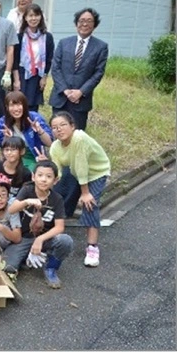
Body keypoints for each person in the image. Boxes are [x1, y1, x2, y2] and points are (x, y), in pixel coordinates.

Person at [49, 111, 110, 268]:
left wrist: (85, 193)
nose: (59, 130)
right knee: (57, 194)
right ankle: (59, 223)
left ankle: (92, 247)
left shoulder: (79, 138)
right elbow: (59, 174)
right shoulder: (55, 147)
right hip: (77, 172)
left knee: (90, 204)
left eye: (63, 125)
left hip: (96, 172)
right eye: (54, 127)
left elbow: (82, 165)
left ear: (72, 126)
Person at [5, 160, 74, 289]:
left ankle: (51, 268)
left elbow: (60, 227)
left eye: (49, 176)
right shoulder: (27, 190)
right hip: (24, 238)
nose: (44, 180)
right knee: (8, 267)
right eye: (40, 175)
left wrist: (40, 239)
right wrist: (26, 202)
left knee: (65, 241)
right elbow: (11, 209)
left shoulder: (57, 199)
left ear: (55, 180)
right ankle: (25, 258)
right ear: (33, 176)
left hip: (45, 239)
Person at [49, 7, 108, 131]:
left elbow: (98, 73)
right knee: (58, 134)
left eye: (89, 21)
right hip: (60, 98)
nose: (85, 24)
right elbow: (55, 68)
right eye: (81, 20)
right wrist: (65, 90)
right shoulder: (64, 43)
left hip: (81, 101)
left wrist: (80, 92)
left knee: (77, 136)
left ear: (95, 25)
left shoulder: (101, 47)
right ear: (76, 23)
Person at [0, 91, 53, 171]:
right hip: (13, 156)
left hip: (34, 155)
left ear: (24, 106)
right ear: (7, 107)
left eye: (19, 104)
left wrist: (40, 131)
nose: (16, 109)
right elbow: (3, 147)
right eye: (12, 105)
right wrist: (7, 138)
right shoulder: (3, 122)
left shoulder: (34, 117)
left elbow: (49, 143)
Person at [13, 3, 55, 112]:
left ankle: (31, 127)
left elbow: (49, 59)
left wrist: (44, 77)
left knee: (33, 106)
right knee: (19, 103)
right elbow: (15, 60)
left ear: (41, 17)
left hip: (38, 74)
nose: (33, 18)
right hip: (23, 74)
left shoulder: (47, 37)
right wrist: (16, 80)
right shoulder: (20, 37)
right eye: (30, 16)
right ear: (25, 18)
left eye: (36, 15)